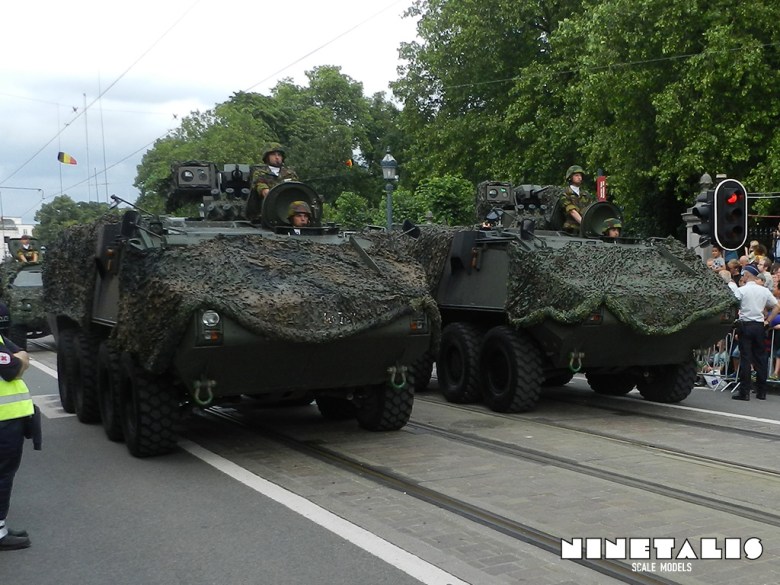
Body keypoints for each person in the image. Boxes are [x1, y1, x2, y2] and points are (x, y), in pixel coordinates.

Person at [0, 302, 35, 550]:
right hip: (3, 421)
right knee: (2, 476)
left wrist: (20, 358)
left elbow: (22, 355)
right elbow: (13, 368)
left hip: (8, 420)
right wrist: (19, 360)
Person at [727, 265, 780, 400]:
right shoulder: (764, 291)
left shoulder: (742, 290)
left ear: (746, 275)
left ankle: (744, 391)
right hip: (759, 326)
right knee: (761, 358)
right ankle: (762, 391)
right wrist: (768, 321)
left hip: (746, 324)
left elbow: (732, 304)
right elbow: (776, 306)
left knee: (746, 358)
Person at [560, 165, 596, 234]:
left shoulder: (586, 195)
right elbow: (572, 211)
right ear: (570, 177)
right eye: (576, 175)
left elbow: (591, 210)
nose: (579, 178)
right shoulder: (565, 194)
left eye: (580, 176)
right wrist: (584, 224)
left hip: (584, 231)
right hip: (570, 230)